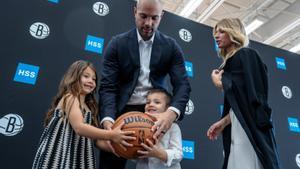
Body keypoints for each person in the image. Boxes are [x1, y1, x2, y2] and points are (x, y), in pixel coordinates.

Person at [98, 0, 191, 168]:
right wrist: (108, 120)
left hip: (154, 113)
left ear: (162, 16)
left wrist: (171, 114)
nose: (149, 23)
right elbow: (108, 87)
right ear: (135, 12)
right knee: (111, 162)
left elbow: (182, 84)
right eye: (143, 16)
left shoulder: (171, 46)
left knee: (153, 164)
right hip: (121, 111)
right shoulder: (117, 44)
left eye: (154, 18)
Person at [206, 18, 281, 169]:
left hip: (250, 132)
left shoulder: (247, 54)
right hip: (238, 130)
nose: (216, 35)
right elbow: (240, 104)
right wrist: (224, 122)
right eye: (215, 32)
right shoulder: (231, 62)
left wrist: (220, 83)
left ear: (233, 32)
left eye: (221, 31)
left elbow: (253, 97)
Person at [32, 60, 135, 169]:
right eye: (86, 76)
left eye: (94, 79)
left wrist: (120, 148)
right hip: (59, 156)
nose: (91, 81)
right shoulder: (70, 98)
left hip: (80, 159)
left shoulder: (90, 108)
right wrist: (112, 135)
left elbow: (96, 140)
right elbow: (79, 128)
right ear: (74, 77)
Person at [136, 88, 183, 169]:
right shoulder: (137, 126)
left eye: (157, 102)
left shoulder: (173, 127)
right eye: (147, 102)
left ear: (167, 108)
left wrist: (157, 153)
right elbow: (134, 156)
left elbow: (178, 155)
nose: (150, 104)